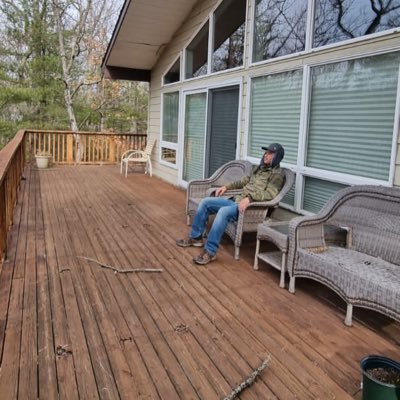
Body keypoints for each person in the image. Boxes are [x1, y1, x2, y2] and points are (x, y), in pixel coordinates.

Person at [176, 143, 285, 265]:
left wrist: (250, 199)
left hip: (248, 209)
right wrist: (226, 187)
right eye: (266, 152)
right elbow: (243, 181)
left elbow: (270, 194)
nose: (266, 155)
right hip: (235, 201)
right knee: (205, 202)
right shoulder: (258, 169)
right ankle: (196, 237)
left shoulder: (277, 175)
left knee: (223, 212)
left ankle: (210, 251)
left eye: (270, 153)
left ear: (277, 157)